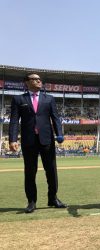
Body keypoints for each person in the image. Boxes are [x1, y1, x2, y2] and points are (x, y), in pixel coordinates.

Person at [9, 73, 67, 213]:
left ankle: (53, 198)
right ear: (26, 82)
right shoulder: (18, 99)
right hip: (29, 140)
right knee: (30, 172)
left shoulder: (49, 99)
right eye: (34, 79)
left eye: (39, 79)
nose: (38, 81)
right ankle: (31, 201)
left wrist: (59, 133)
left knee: (51, 171)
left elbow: (55, 118)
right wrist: (12, 139)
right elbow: (14, 120)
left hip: (46, 139)